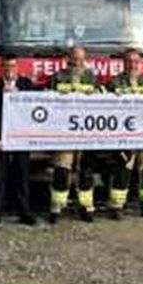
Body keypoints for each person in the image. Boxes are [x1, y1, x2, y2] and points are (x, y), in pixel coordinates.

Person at [48, 45, 102, 224]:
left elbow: (103, 99)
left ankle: (86, 207)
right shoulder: (58, 77)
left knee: (86, 171)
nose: (78, 62)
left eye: (81, 59)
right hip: (64, 132)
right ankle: (57, 206)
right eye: (75, 58)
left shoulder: (92, 77)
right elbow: (48, 99)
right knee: (62, 169)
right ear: (68, 58)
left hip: (87, 133)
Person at [106, 48, 143, 220]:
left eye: (136, 61)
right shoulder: (115, 82)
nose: (133, 65)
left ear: (141, 63)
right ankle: (116, 206)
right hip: (124, 136)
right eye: (129, 61)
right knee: (123, 169)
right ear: (123, 63)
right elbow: (103, 105)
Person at [0, 55, 36, 227]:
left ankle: (25, 212)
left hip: (21, 137)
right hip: (2, 138)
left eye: (12, 66)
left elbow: (34, 111)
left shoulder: (27, 85)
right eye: (6, 66)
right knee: (0, 177)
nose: (9, 69)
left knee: (22, 175)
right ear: (2, 68)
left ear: (18, 68)